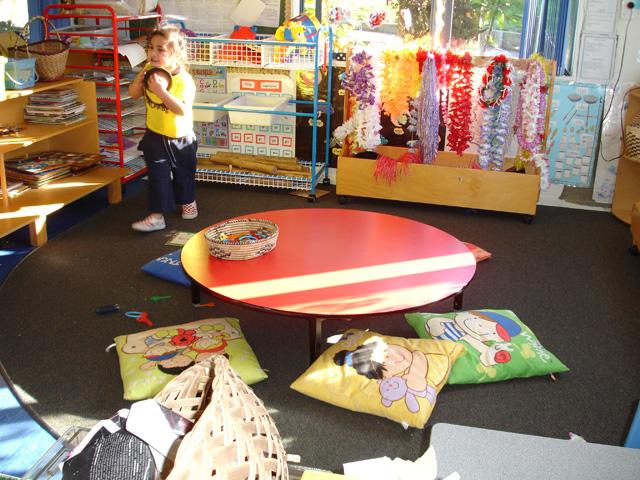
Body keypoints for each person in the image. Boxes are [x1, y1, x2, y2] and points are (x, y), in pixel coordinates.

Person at [128, 25, 198, 232]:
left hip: (180, 138)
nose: (153, 53)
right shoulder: (148, 70)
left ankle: (187, 201)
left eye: (161, 49)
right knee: (157, 176)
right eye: (150, 48)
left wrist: (160, 90)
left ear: (175, 54)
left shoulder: (184, 80)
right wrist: (140, 81)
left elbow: (181, 110)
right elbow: (133, 94)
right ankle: (157, 216)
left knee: (183, 174)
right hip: (155, 135)